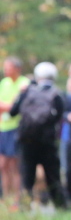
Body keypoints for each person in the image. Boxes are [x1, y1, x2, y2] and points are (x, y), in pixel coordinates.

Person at [10, 62, 67, 209]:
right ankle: (61, 206)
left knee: (27, 175)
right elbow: (60, 117)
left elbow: (12, 112)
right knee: (52, 175)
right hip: (47, 141)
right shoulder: (57, 94)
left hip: (26, 140)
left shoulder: (27, 92)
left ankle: (24, 206)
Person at [0, 57, 29, 206]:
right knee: (3, 165)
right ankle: (5, 198)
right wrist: (9, 106)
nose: (5, 70)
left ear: (17, 69)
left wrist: (7, 106)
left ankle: (17, 199)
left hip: (17, 128)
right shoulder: (4, 83)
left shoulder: (25, 84)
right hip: (3, 128)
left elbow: (17, 107)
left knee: (15, 165)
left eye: (8, 67)